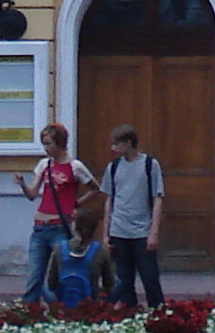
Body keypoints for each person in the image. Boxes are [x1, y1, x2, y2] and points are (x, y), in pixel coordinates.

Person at [18, 123, 94, 305]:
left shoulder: (75, 167)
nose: (46, 148)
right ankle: (29, 311)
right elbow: (32, 194)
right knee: (34, 275)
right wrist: (22, 184)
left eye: (49, 144)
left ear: (60, 144)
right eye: (44, 144)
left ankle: (62, 308)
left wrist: (75, 205)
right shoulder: (44, 164)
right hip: (40, 226)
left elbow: (95, 188)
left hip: (59, 226)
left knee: (57, 275)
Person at [99, 125, 167, 309]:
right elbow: (109, 201)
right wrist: (106, 234)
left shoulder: (149, 165)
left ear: (128, 143)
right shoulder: (113, 168)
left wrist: (153, 233)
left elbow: (157, 198)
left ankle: (158, 314)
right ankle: (129, 315)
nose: (113, 149)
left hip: (141, 232)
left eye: (116, 144)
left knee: (150, 278)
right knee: (124, 281)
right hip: (119, 232)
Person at [54, 191, 110, 306]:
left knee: (42, 286)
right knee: (120, 283)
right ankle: (99, 306)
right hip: (90, 298)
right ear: (94, 229)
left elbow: (51, 283)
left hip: (63, 298)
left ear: (75, 227)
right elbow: (109, 283)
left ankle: (59, 306)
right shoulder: (100, 250)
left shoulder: (60, 248)